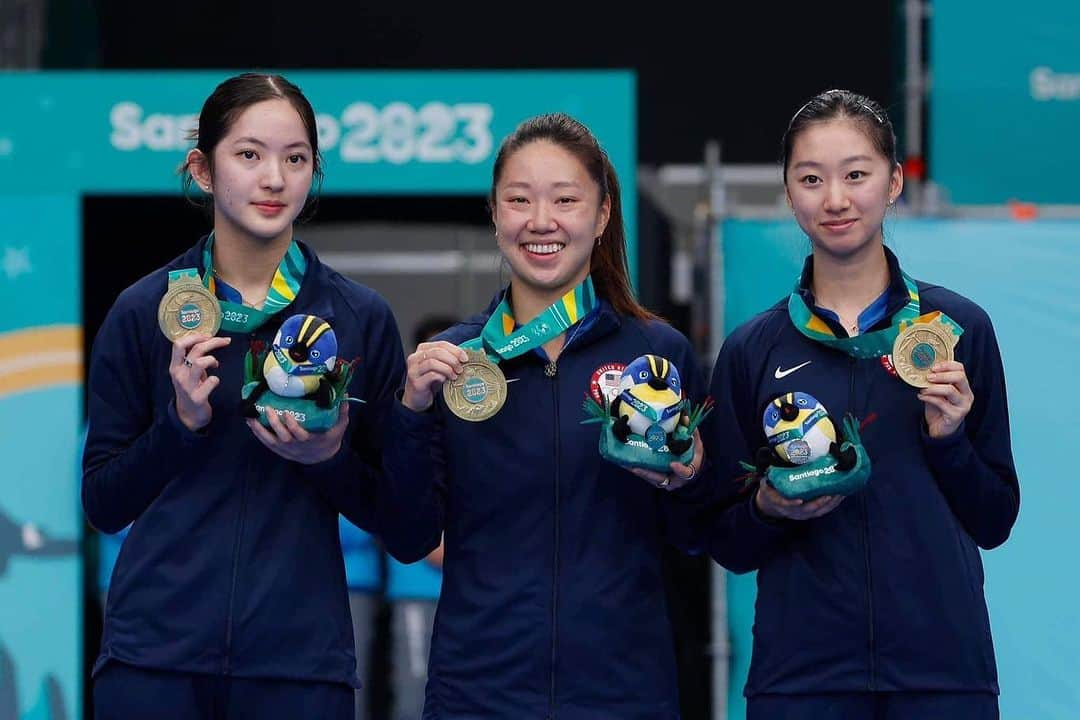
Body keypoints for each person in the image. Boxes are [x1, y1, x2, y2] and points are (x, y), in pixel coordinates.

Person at [82, 72, 405, 720]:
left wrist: (329, 460)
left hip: (298, 668)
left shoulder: (358, 317)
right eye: (249, 154)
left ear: (314, 172)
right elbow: (104, 503)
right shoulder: (147, 309)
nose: (274, 178)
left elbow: (403, 520)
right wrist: (179, 423)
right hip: (155, 662)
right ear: (203, 169)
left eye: (296, 158)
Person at [377, 112, 710, 719]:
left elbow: (693, 537)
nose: (540, 221)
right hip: (479, 696)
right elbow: (408, 537)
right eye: (519, 200)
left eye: (565, 199)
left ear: (603, 214)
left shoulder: (658, 355)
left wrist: (689, 480)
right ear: (496, 213)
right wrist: (411, 412)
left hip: (623, 694)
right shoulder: (455, 365)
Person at [702, 89, 1020, 720]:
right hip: (802, 681)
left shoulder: (958, 329)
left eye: (856, 174)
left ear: (894, 181)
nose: (836, 199)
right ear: (790, 193)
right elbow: (727, 542)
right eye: (812, 179)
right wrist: (766, 509)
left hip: (941, 675)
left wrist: (949, 440)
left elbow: (996, 520)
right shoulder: (752, 350)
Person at [384, 315, 455, 720]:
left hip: (472, 594)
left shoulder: (479, 413)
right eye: (431, 354)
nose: (441, 367)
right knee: (413, 698)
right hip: (417, 587)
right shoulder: (402, 413)